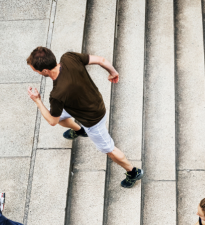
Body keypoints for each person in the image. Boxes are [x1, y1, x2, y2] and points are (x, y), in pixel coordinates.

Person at [26, 46, 144, 188]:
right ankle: (79, 130)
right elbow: (101, 60)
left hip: (93, 119)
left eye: (35, 70)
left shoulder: (57, 94)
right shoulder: (68, 58)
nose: (35, 71)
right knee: (61, 117)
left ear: (44, 71)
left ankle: (133, 172)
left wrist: (37, 100)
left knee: (109, 150)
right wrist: (113, 72)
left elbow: (52, 121)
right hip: (89, 102)